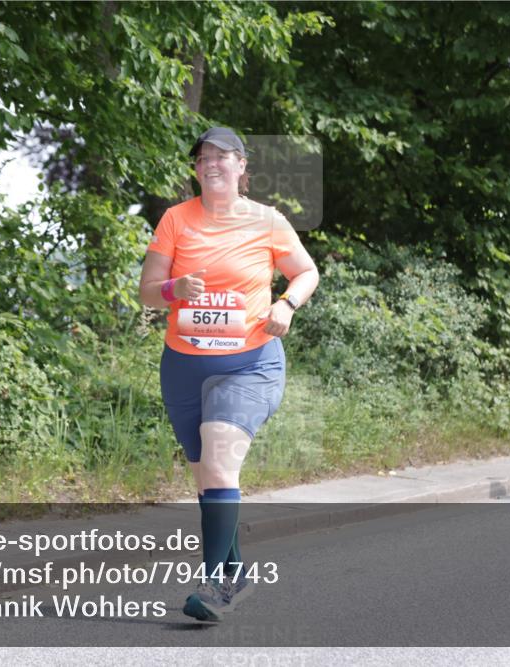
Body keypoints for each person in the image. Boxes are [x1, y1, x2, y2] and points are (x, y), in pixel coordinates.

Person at [138, 127, 319, 621]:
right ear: (195, 170)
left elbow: (307, 271)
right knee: (207, 479)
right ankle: (237, 579)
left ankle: (216, 588)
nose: (211, 164)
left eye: (223, 157)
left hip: (250, 364)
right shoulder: (176, 219)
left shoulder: (268, 221)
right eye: (203, 158)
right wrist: (176, 288)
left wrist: (287, 303)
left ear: (242, 166)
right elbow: (148, 292)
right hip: (183, 368)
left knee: (218, 455)